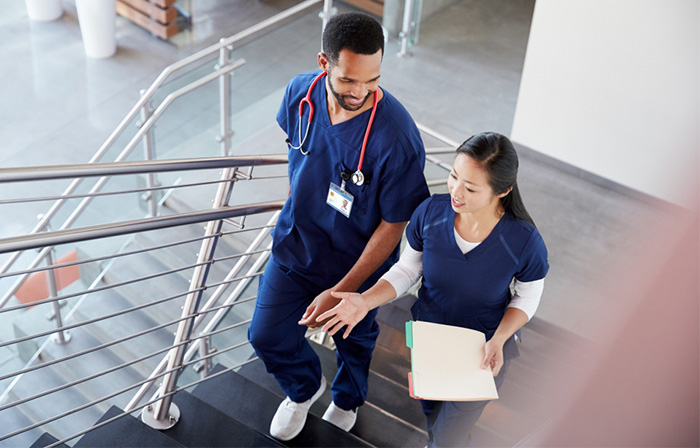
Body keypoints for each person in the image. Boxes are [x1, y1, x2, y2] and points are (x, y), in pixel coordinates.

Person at [247, 12, 430, 441]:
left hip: (357, 267)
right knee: (265, 335)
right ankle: (305, 388)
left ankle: (347, 398)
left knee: (355, 340)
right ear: (324, 62)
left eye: (372, 80)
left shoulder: (396, 137)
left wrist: (344, 289)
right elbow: (300, 153)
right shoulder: (300, 94)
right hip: (296, 246)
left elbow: (393, 224)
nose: (361, 92)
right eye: (349, 80)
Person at [318, 132, 549, 447]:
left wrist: (500, 338)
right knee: (430, 408)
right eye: (454, 176)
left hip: (483, 349)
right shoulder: (429, 213)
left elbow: (528, 295)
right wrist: (365, 301)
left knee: (452, 431)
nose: (455, 190)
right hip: (430, 336)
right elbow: (408, 269)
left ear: (503, 191)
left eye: (470, 187)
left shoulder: (524, 241)